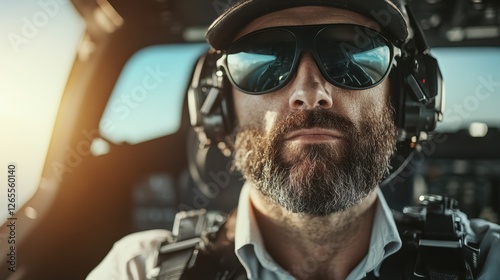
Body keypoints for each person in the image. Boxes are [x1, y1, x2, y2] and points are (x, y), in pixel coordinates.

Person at [87, 0, 500, 279]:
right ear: (219, 108)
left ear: (404, 99)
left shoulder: (486, 261)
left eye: (352, 57)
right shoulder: (142, 269)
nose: (309, 91)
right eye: (264, 62)